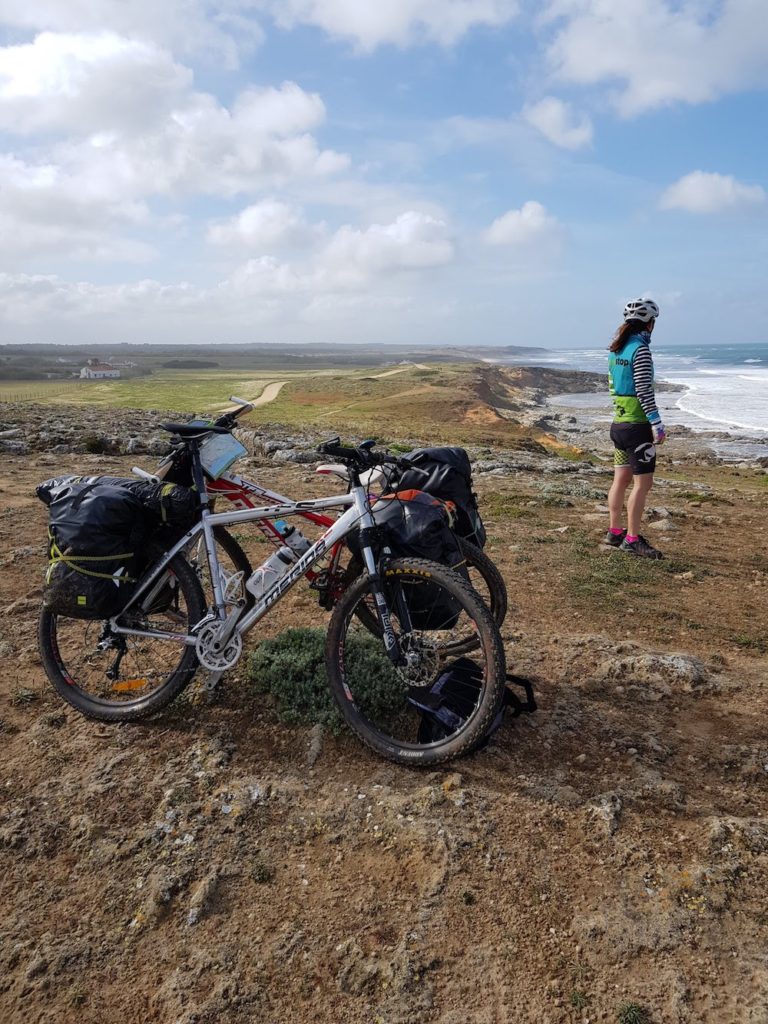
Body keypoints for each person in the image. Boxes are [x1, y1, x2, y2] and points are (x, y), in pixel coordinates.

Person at [604, 297, 666, 559]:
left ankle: (614, 532)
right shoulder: (640, 350)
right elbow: (643, 389)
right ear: (649, 324)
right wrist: (656, 422)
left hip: (618, 425)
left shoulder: (616, 349)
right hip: (637, 428)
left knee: (620, 480)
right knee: (642, 485)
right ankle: (632, 539)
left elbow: (612, 386)